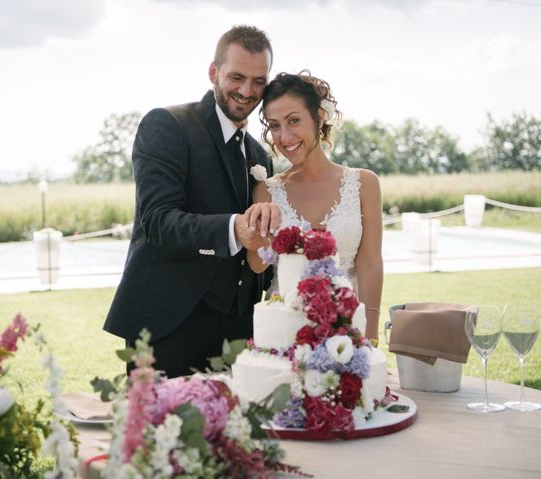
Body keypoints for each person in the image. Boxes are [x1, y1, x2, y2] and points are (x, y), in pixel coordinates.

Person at [103, 26, 275, 377]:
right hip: (169, 322)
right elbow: (157, 220)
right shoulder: (168, 125)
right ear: (214, 72)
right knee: (162, 430)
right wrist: (233, 229)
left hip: (240, 328)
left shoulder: (259, 153)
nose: (247, 91)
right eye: (237, 77)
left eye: (259, 81)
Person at [247, 71, 384, 340]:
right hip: (283, 331)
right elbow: (256, 264)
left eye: (294, 120)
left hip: (345, 330)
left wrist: (370, 335)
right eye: (274, 125)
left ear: (319, 116)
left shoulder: (364, 183)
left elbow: (369, 263)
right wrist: (261, 231)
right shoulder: (266, 191)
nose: (284, 137)